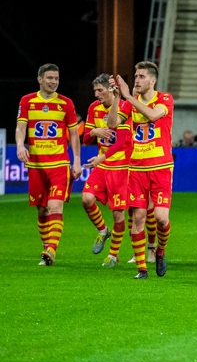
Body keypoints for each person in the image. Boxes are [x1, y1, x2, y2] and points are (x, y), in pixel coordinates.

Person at [16, 63, 81, 266]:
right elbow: (21, 127)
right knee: (42, 210)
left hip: (59, 164)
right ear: (40, 79)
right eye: (50, 78)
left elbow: (73, 134)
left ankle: (51, 249)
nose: (54, 82)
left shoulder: (66, 103)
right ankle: (46, 248)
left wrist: (76, 160)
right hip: (36, 166)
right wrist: (20, 145)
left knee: (54, 206)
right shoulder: (27, 101)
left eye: (56, 78)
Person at [114, 63, 174, 279]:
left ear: (152, 81)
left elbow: (153, 116)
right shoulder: (130, 103)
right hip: (137, 169)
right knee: (138, 218)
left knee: (161, 218)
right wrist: (117, 99)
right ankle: (142, 268)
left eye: (141, 76)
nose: (137, 80)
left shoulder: (165, 99)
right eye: (136, 76)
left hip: (161, 168)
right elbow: (112, 123)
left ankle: (160, 251)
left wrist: (128, 97)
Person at [81, 74, 130, 267]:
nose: (96, 94)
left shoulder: (125, 107)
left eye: (99, 90)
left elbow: (122, 142)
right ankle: (103, 230)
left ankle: (113, 255)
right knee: (86, 199)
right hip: (102, 166)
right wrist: (95, 131)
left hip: (121, 167)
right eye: (95, 90)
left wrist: (101, 157)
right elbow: (86, 139)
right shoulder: (93, 108)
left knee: (118, 215)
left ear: (110, 90)